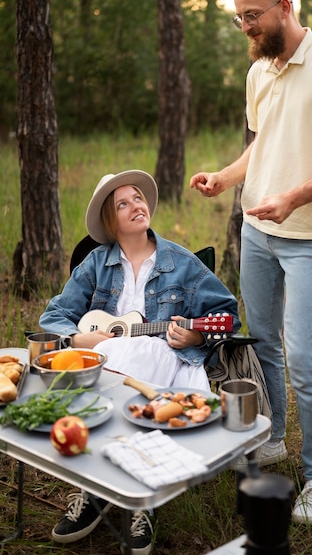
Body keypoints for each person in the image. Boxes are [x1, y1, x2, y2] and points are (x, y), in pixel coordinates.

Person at [190, 0, 312, 525]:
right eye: (238, 18)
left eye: (253, 16)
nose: (245, 27)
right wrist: (226, 177)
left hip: (307, 238)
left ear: (284, 7)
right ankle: (271, 438)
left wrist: (293, 196)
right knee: (263, 342)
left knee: (302, 355)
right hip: (256, 232)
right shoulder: (258, 72)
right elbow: (261, 145)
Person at [40, 169, 240, 554]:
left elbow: (227, 314)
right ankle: (97, 489)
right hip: (107, 358)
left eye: (138, 198)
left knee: (131, 357)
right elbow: (54, 316)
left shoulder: (180, 263)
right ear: (111, 222)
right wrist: (80, 337)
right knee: (99, 358)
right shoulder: (97, 263)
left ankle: (138, 495)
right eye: (123, 203)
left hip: (161, 358)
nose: (136, 206)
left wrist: (197, 335)